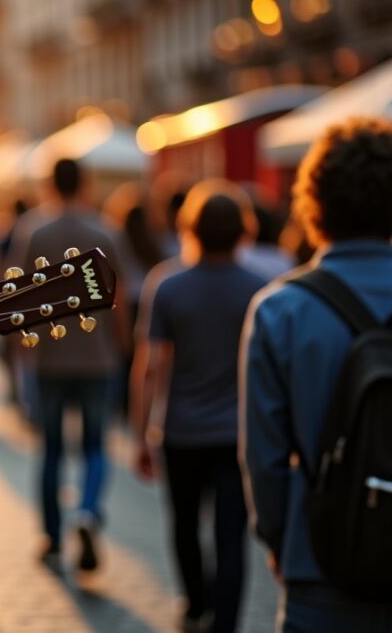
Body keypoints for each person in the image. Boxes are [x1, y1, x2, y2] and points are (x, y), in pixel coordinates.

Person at [241, 117, 392, 631]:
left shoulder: (279, 309)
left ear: (312, 202)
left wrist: (283, 541)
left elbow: (264, 458)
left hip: (319, 562)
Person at [132, 180, 267, 633]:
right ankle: (226, 621)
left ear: (190, 227)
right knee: (233, 534)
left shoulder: (168, 285)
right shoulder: (260, 290)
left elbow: (150, 368)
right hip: (238, 433)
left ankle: (194, 604)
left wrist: (140, 433)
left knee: (185, 524)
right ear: (242, 231)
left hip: (181, 429)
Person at [9, 157, 131, 573]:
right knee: (96, 445)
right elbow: (121, 296)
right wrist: (122, 343)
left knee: (52, 449)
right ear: (86, 182)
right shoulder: (105, 231)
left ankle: (51, 536)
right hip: (98, 357)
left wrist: (23, 353)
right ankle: (88, 510)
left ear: (49, 182)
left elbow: (19, 295)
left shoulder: (33, 230)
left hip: (49, 358)